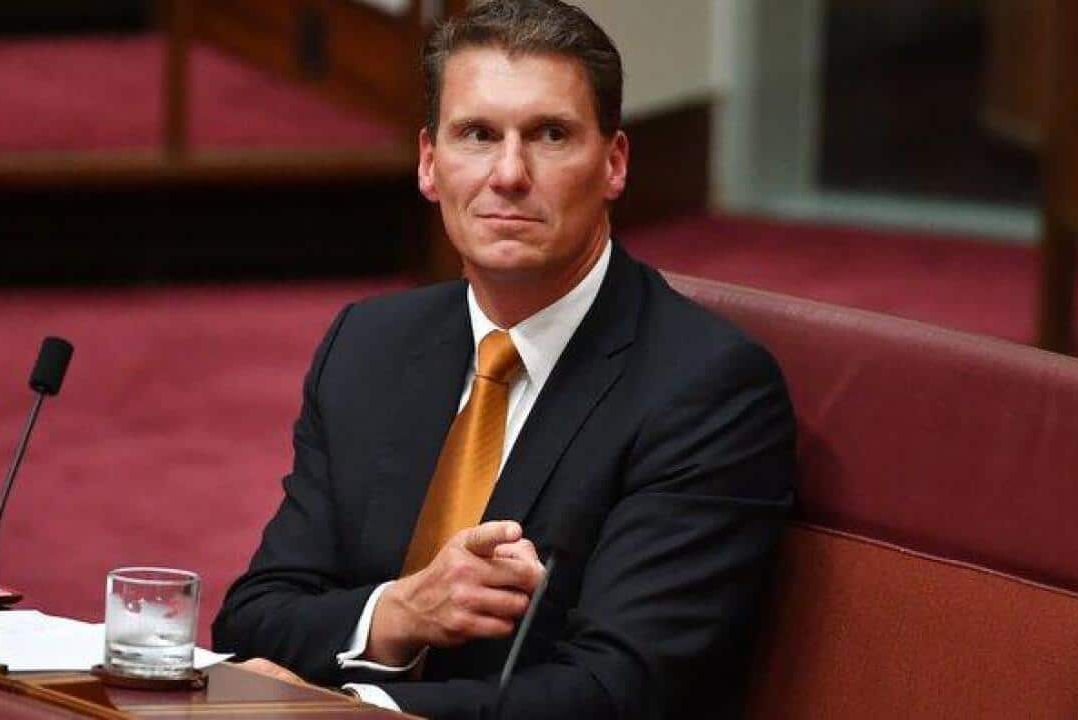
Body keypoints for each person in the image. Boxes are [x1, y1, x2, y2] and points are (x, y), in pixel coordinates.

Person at [212, 1, 795, 718]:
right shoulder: (368, 344)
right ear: (430, 164)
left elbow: (621, 690)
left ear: (614, 163)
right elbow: (254, 617)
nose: (509, 173)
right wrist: (398, 613)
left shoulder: (705, 388)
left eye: (550, 135)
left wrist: (357, 711)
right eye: (478, 135)